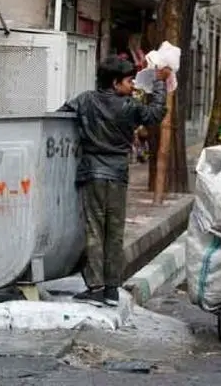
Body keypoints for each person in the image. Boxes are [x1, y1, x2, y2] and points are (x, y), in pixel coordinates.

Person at [58, 55, 171, 304]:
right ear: (115, 82)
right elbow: (155, 114)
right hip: (118, 175)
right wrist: (160, 84)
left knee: (94, 231)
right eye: (129, 80)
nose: (132, 85)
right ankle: (111, 288)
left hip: (91, 175)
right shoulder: (129, 107)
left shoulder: (84, 100)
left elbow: (59, 117)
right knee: (115, 232)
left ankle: (95, 286)